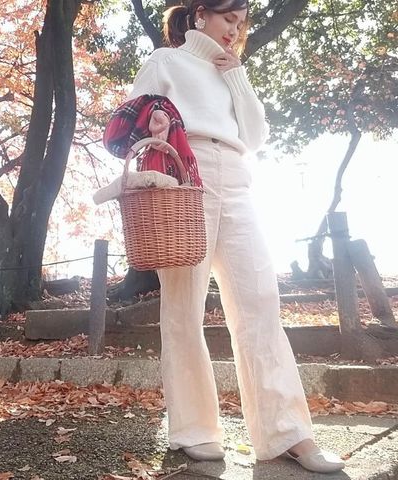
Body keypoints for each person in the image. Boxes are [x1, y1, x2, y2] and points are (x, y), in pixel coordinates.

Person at [126, 0, 345, 473]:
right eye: (229, 18)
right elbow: (129, 126)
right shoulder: (166, 61)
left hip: (238, 179)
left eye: (242, 23)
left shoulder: (231, 71)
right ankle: (194, 429)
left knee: (260, 301)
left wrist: (238, 76)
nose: (235, 30)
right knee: (183, 308)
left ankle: (286, 433)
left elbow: (256, 136)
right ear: (200, 14)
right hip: (186, 178)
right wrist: (154, 122)